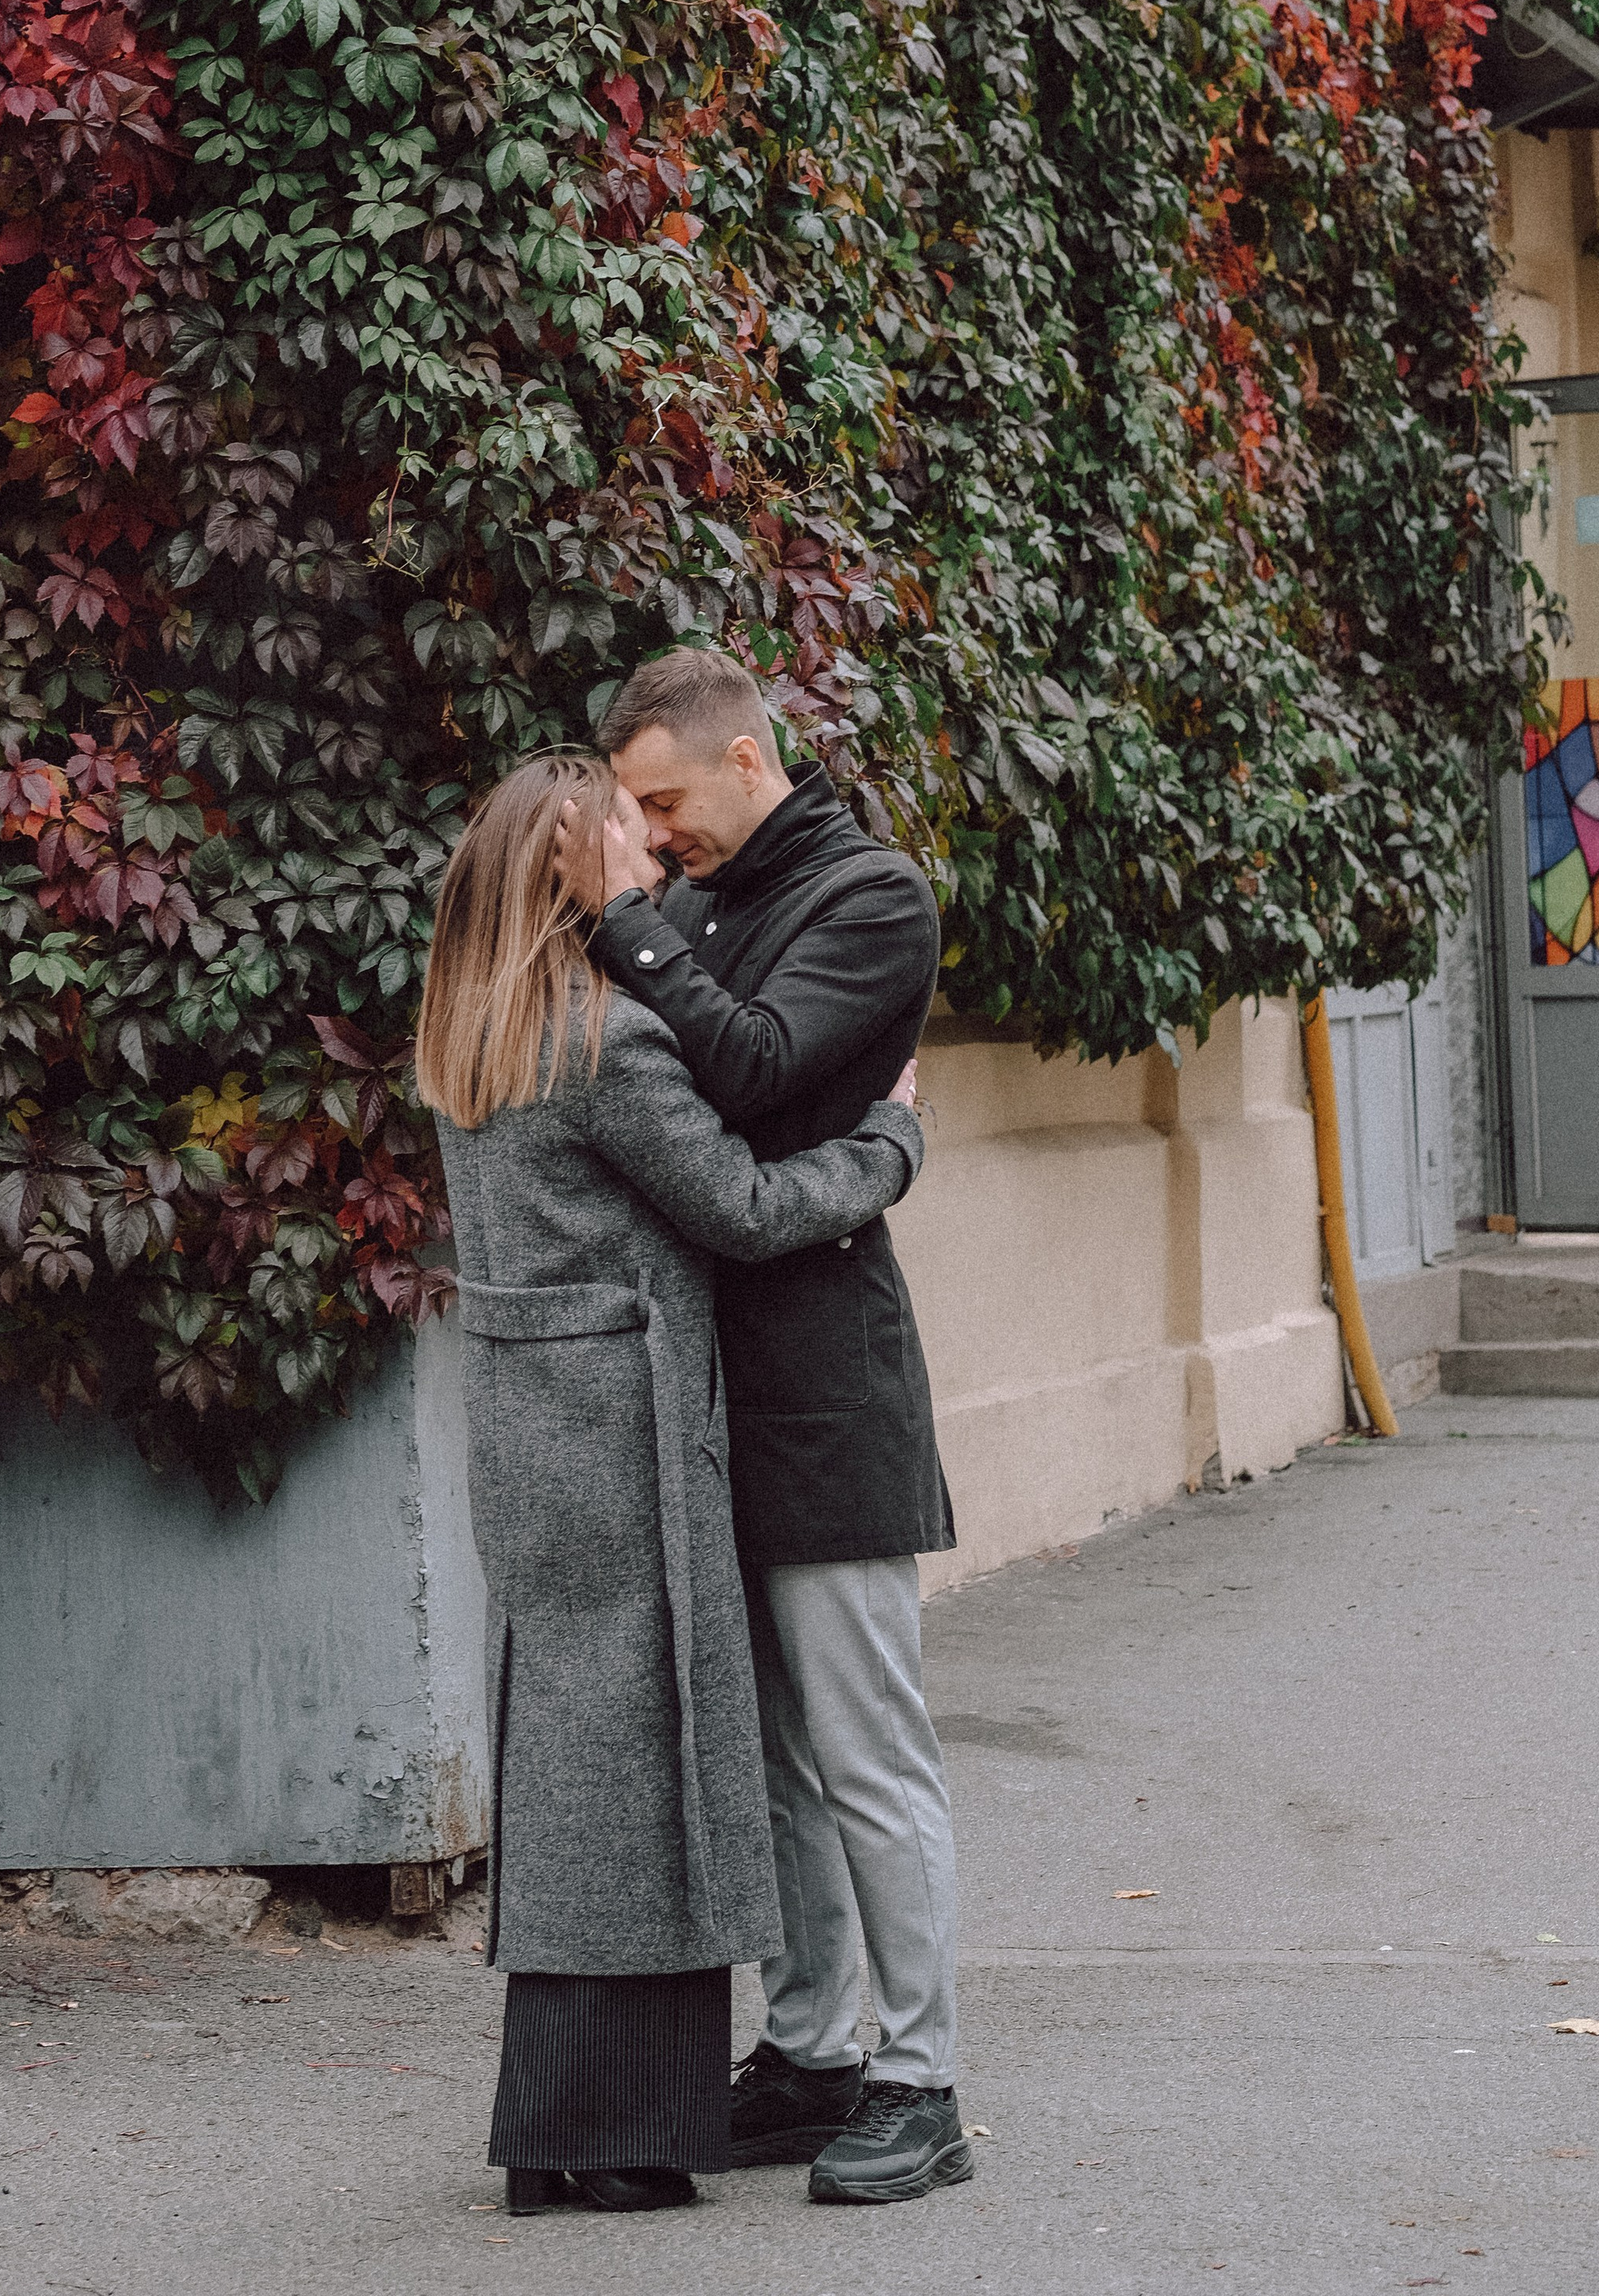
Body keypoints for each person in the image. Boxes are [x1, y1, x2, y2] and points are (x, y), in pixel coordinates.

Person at [415, 749, 927, 2218]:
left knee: (573, 1753)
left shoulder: (472, 1033)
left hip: (532, 1423)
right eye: (621, 858)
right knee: (648, 1762)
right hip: (627, 1424)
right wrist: (891, 1140)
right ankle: (610, 2131)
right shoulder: (606, 1044)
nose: (651, 872)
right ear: (570, 880)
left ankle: (572, 2125)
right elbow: (749, 1208)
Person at [569, 644, 969, 2207]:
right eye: (636, 820)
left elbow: (741, 1077)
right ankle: (811, 2054)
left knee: (870, 1755)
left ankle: (923, 2080)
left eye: (667, 804)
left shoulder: (875, 903)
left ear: (746, 761)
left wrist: (626, 927)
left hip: (828, 1390)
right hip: (705, 1391)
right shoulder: (697, 903)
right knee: (778, 1766)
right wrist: (647, 926)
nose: (654, 839)